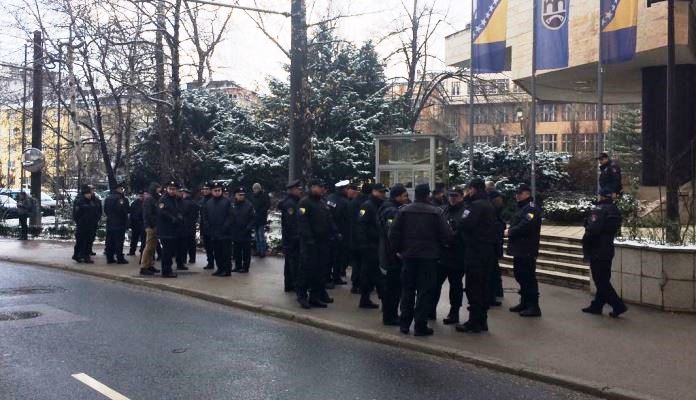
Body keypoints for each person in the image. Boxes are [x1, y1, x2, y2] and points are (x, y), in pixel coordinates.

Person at [389, 183, 453, 336]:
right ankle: (420, 326)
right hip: (429, 258)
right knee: (425, 292)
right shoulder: (436, 212)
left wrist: (398, 250)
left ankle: (404, 324)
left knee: (407, 290)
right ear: (427, 195)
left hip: (408, 257)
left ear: (415, 195)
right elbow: (447, 235)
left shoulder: (403, 210)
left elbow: (393, 234)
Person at [455, 179, 498, 334]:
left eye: (469, 190)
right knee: (483, 286)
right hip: (486, 250)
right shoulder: (488, 204)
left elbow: (463, 224)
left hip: (475, 251)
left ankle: (474, 322)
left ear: (473, 189)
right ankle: (482, 320)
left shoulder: (475, 205)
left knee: (473, 287)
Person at [582, 188, 628, 318]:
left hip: (597, 248)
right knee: (604, 278)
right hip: (608, 247)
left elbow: (592, 229)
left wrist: (587, 235)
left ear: (601, 196)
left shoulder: (599, 210)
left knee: (600, 281)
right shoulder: (614, 209)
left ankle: (618, 305)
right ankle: (597, 305)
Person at [505, 183, 543, 317]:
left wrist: (510, 231)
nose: (517, 195)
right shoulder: (521, 208)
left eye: (520, 193)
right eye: (516, 193)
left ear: (527, 194)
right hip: (519, 248)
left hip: (527, 248)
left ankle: (534, 306)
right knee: (520, 275)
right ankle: (525, 302)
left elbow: (526, 225)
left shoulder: (531, 208)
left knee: (528, 277)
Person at [296, 180, 336, 309]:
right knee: (306, 270)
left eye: (322, 187)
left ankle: (315, 296)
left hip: (322, 242)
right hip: (309, 243)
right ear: (313, 188)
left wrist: (335, 232)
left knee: (319, 271)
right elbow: (302, 222)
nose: (321, 189)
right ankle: (302, 296)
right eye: (319, 187)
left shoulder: (322, 203)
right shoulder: (305, 202)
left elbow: (329, 219)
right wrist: (308, 239)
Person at [432, 186, 467, 325]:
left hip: (457, 254)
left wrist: (451, 235)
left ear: (461, 196)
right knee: (435, 284)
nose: (453, 198)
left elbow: (462, 229)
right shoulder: (444, 209)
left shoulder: (465, 211)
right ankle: (430, 310)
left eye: (456, 195)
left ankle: (454, 313)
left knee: (455, 286)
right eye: (451, 195)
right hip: (442, 254)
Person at [377, 184, 409, 326]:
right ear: (397, 196)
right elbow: (392, 234)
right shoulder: (391, 211)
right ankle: (390, 317)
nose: (407, 198)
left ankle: (390, 314)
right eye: (404, 196)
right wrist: (398, 251)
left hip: (388, 253)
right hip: (391, 255)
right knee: (393, 288)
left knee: (392, 288)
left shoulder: (390, 207)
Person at [356, 183, 388, 309]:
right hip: (369, 245)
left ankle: (365, 299)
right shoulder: (367, 205)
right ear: (374, 192)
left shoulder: (379, 205)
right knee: (373, 274)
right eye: (380, 192)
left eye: (384, 192)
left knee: (370, 274)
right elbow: (361, 225)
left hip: (377, 244)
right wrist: (363, 244)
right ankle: (382, 300)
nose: (383, 194)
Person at [201, 182, 233, 277]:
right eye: (215, 190)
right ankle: (219, 268)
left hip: (225, 232)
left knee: (225, 253)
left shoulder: (226, 201)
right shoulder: (208, 203)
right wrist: (207, 226)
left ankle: (227, 270)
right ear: (212, 191)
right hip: (213, 232)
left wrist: (225, 226)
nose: (217, 192)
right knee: (217, 252)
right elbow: (205, 216)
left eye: (219, 190)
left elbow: (230, 216)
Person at [278, 179, 303, 292]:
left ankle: (289, 284)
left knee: (290, 262)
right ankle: (293, 284)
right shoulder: (290, 204)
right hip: (291, 238)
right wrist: (296, 236)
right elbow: (291, 223)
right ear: (293, 190)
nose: (300, 191)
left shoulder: (294, 201)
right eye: (298, 189)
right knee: (293, 262)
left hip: (291, 238)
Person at [326, 180, 351, 288]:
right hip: (340, 231)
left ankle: (333, 277)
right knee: (336, 257)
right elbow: (347, 218)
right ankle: (332, 278)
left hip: (330, 231)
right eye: (346, 188)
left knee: (334, 257)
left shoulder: (329, 198)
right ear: (342, 189)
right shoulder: (344, 202)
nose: (348, 190)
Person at [157, 181, 183, 278]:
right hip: (166, 230)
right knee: (167, 252)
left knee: (170, 251)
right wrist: (172, 218)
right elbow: (161, 212)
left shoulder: (174, 199)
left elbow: (176, 210)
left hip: (173, 230)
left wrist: (179, 217)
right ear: (167, 189)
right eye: (170, 189)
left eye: (174, 189)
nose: (172, 191)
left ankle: (168, 269)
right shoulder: (164, 199)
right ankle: (166, 271)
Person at [486, 181, 505, 306]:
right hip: (495, 240)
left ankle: (492, 294)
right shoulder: (497, 200)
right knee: (494, 269)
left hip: (492, 241)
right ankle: (497, 292)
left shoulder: (491, 202)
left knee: (491, 269)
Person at [349, 183, 370, 294]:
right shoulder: (367, 204)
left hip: (353, 236)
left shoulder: (353, 202)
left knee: (356, 262)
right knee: (363, 263)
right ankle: (362, 285)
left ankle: (355, 283)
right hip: (364, 238)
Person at [72, 185, 100, 264]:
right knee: (81, 241)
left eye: (90, 193)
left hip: (90, 225)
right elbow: (76, 214)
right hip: (82, 225)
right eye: (87, 193)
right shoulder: (80, 201)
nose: (89, 195)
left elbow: (96, 211)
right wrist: (80, 222)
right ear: (84, 194)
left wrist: (95, 220)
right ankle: (78, 255)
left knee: (88, 241)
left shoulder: (92, 201)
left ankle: (85, 256)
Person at [104, 182, 130, 264]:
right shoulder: (121, 199)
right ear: (118, 189)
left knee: (110, 241)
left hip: (110, 222)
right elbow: (123, 210)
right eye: (122, 189)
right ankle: (120, 258)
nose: (123, 191)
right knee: (119, 241)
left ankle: (109, 257)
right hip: (119, 223)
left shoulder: (108, 198)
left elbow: (105, 210)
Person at [231, 187, 255, 273]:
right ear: (235, 195)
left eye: (243, 195)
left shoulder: (249, 205)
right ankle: (237, 266)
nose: (241, 196)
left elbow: (253, 219)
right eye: (239, 195)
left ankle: (245, 267)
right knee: (236, 251)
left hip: (245, 232)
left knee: (246, 252)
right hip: (236, 231)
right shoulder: (233, 205)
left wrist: (248, 228)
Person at [139, 183, 162, 276]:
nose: (159, 191)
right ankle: (144, 266)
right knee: (148, 247)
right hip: (151, 226)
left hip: (154, 225)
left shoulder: (153, 199)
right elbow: (148, 214)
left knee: (152, 247)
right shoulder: (149, 200)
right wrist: (152, 225)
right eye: (158, 189)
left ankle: (150, 264)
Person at [178, 188, 199, 266]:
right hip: (192, 225)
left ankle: (183, 259)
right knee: (192, 243)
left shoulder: (183, 203)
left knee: (184, 243)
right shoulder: (194, 203)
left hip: (184, 225)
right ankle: (192, 258)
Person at [249, 183, 271, 258]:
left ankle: (262, 251)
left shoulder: (264, 195)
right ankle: (258, 250)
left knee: (261, 236)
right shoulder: (252, 196)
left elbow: (267, 205)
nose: (256, 190)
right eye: (254, 188)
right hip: (255, 218)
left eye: (257, 188)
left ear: (260, 188)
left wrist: (259, 212)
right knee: (257, 236)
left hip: (261, 218)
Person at [198, 183, 215, 269]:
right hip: (204, 227)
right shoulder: (202, 201)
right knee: (208, 247)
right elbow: (201, 217)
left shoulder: (213, 200)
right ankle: (210, 262)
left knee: (215, 247)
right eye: (204, 189)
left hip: (213, 226)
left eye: (207, 189)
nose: (205, 191)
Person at [128, 191, 145, 256]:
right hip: (135, 223)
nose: (141, 197)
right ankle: (132, 251)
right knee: (134, 238)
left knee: (143, 239)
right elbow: (131, 214)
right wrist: (130, 224)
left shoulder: (145, 203)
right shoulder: (134, 203)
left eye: (142, 195)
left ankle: (142, 251)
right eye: (140, 195)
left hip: (142, 223)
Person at [86, 186, 102, 257]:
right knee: (87, 237)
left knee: (92, 236)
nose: (92, 192)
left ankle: (89, 250)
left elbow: (99, 210)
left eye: (93, 190)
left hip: (94, 221)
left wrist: (98, 218)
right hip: (87, 222)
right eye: (91, 190)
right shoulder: (86, 200)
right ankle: (86, 251)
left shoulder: (97, 200)